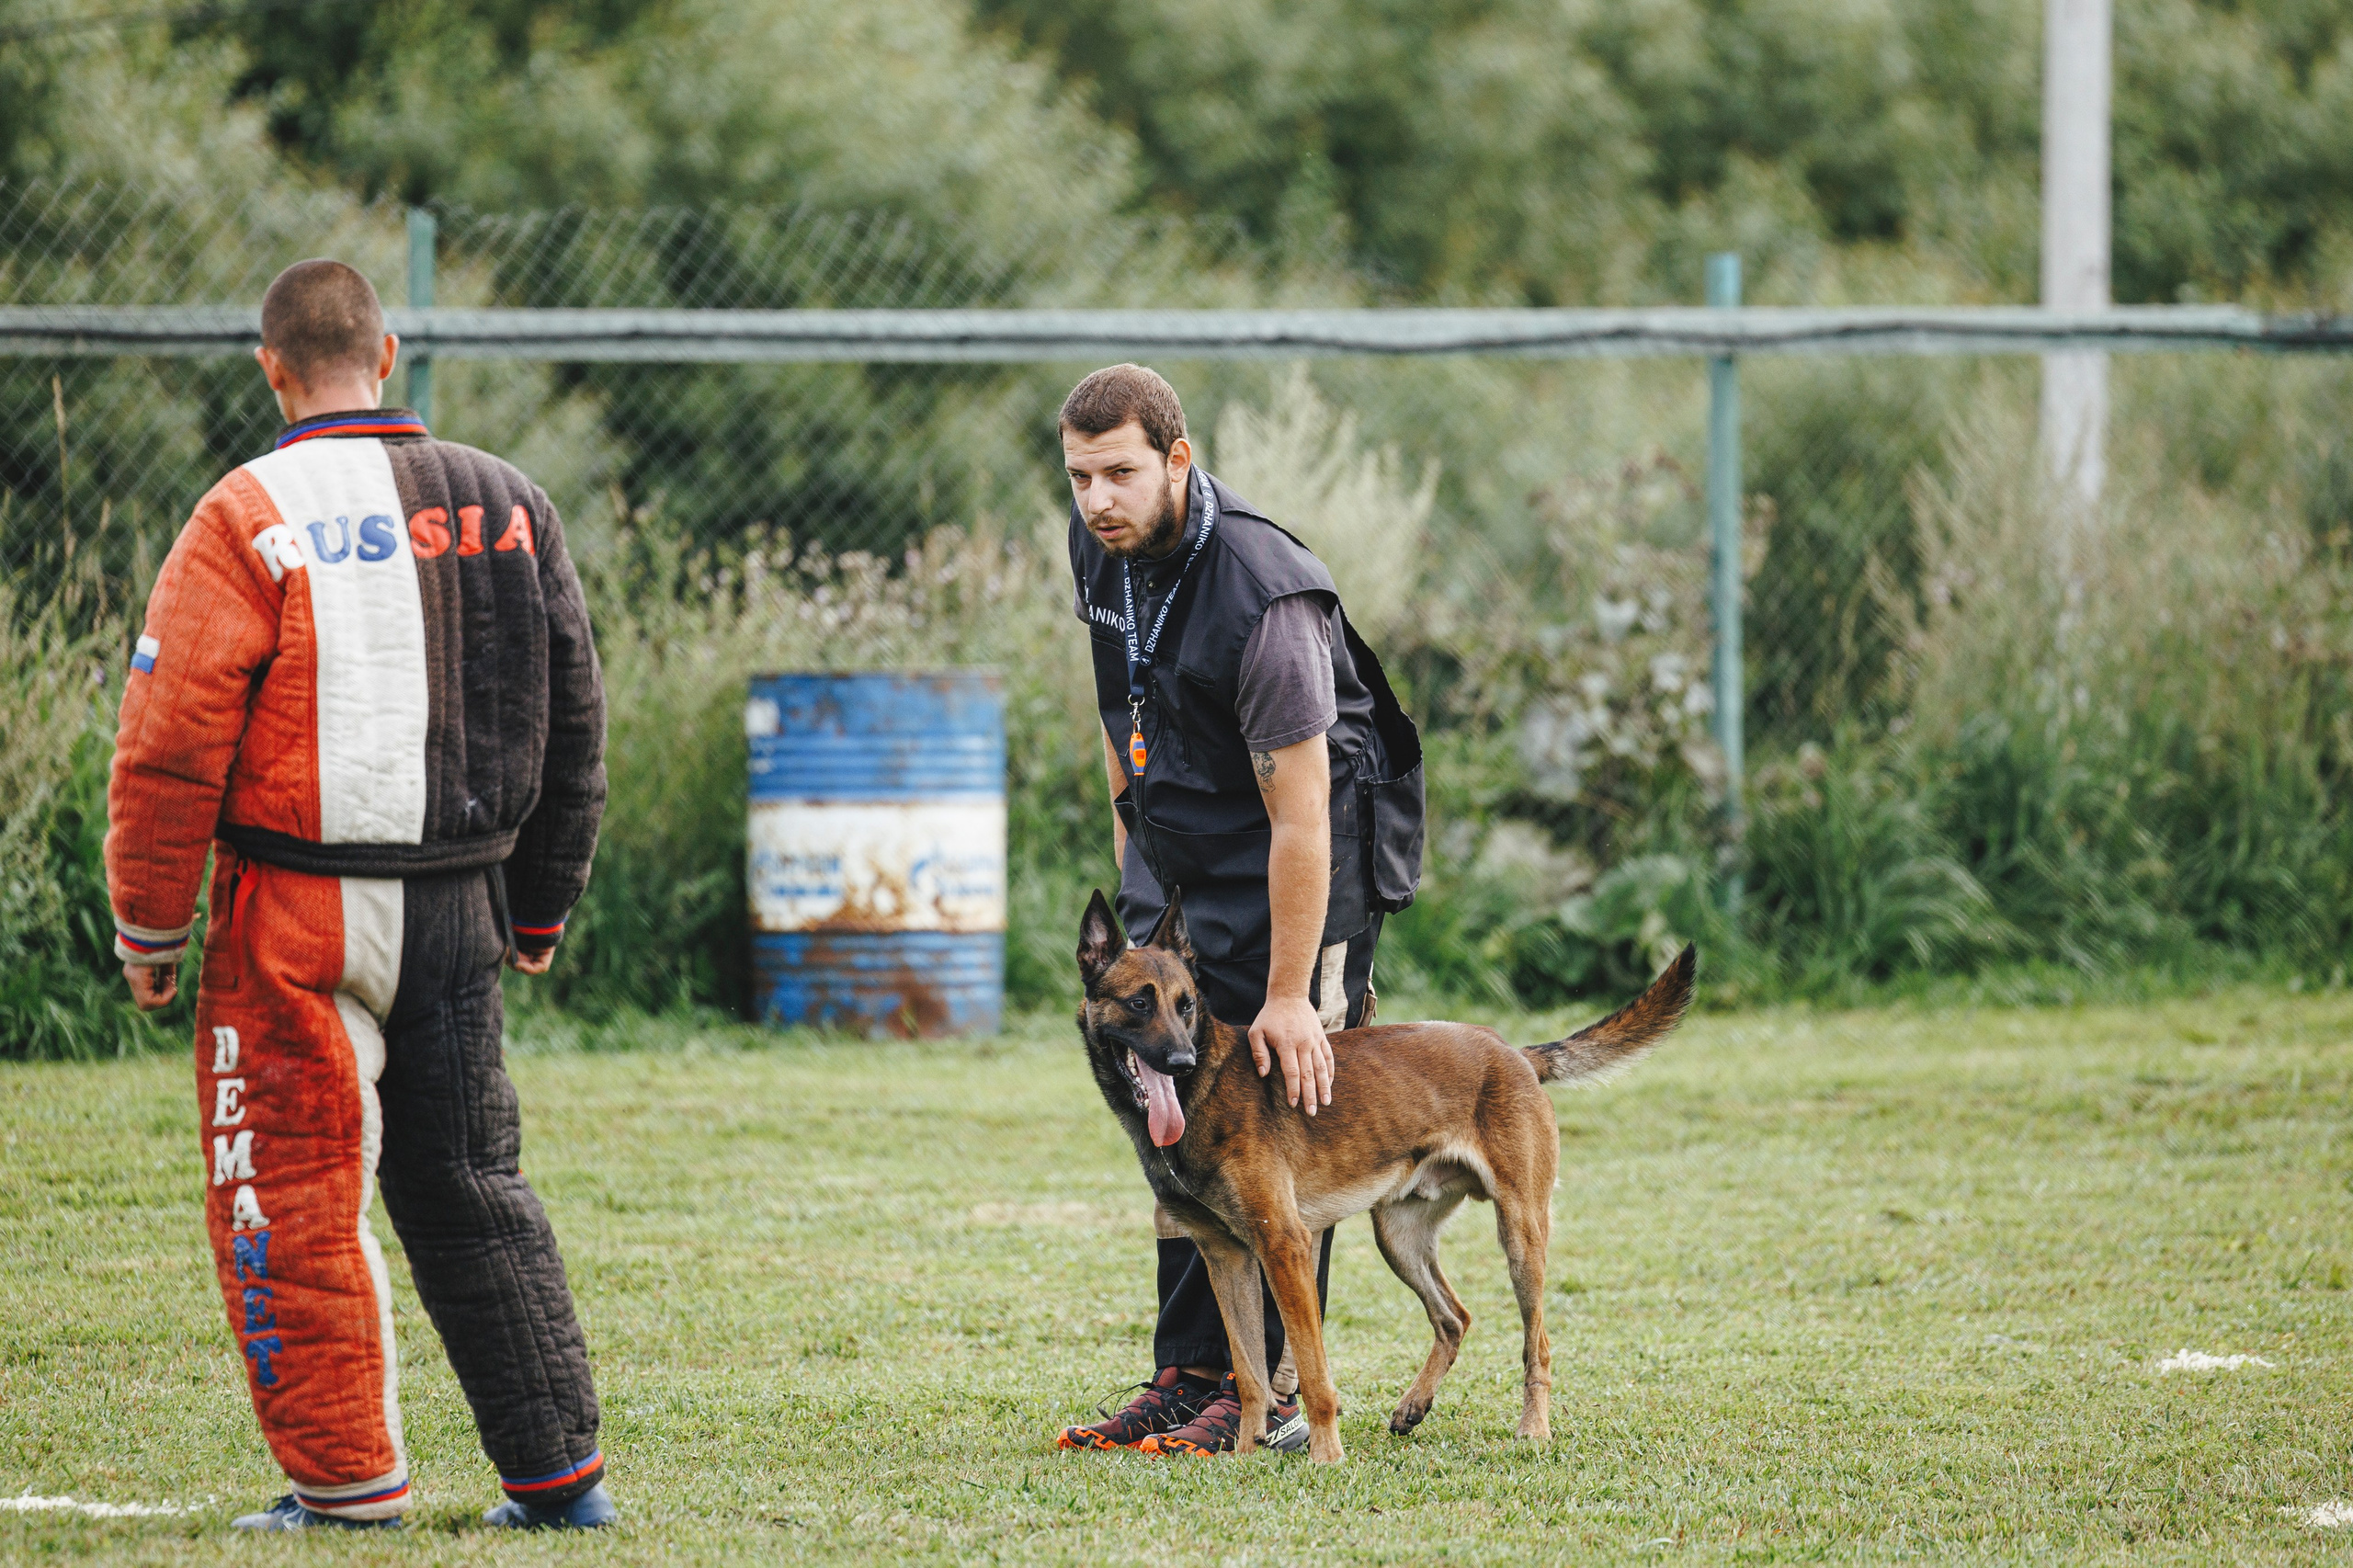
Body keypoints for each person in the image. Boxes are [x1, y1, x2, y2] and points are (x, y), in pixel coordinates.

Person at [107, 258, 615, 1530]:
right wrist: (541, 901)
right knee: (471, 1180)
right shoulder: (511, 502)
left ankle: (345, 1489)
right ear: (386, 356)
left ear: (272, 368)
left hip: (294, 909)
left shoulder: (243, 513)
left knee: (293, 1185)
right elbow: (576, 716)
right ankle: (560, 1486)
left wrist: (151, 922)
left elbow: (169, 740)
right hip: (461, 905)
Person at [1052, 364, 1425, 1457]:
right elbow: (1118, 711)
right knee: (1170, 1101)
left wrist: (1286, 995)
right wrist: (1134, 888)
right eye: (1078, 477)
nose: (1096, 498)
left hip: (1309, 860)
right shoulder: (1105, 550)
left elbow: (1302, 818)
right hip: (1187, 863)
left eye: (1118, 472)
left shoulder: (1263, 596)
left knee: (1285, 1113)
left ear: (1177, 457)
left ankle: (1268, 1399)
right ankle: (1192, 1376)